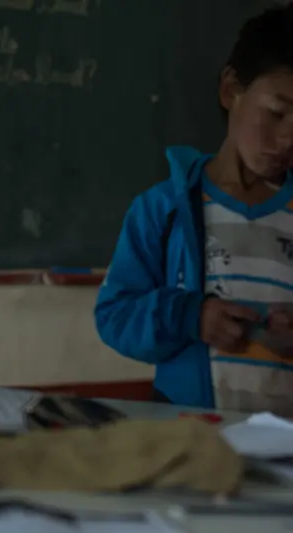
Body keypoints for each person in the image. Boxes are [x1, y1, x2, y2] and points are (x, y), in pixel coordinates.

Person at [96, 4, 293, 413]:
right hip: (191, 437)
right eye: (277, 112)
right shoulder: (163, 209)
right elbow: (115, 316)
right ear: (230, 90)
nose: (289, 137)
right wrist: (188, 316)